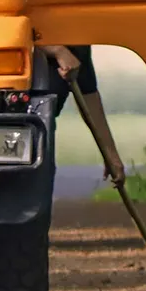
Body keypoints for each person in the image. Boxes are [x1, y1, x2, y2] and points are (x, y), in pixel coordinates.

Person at [40, 44, 126, 187]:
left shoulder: (76, 40)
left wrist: (110, 154)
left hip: (40, 133)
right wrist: (55, 50)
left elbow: (88, 95)